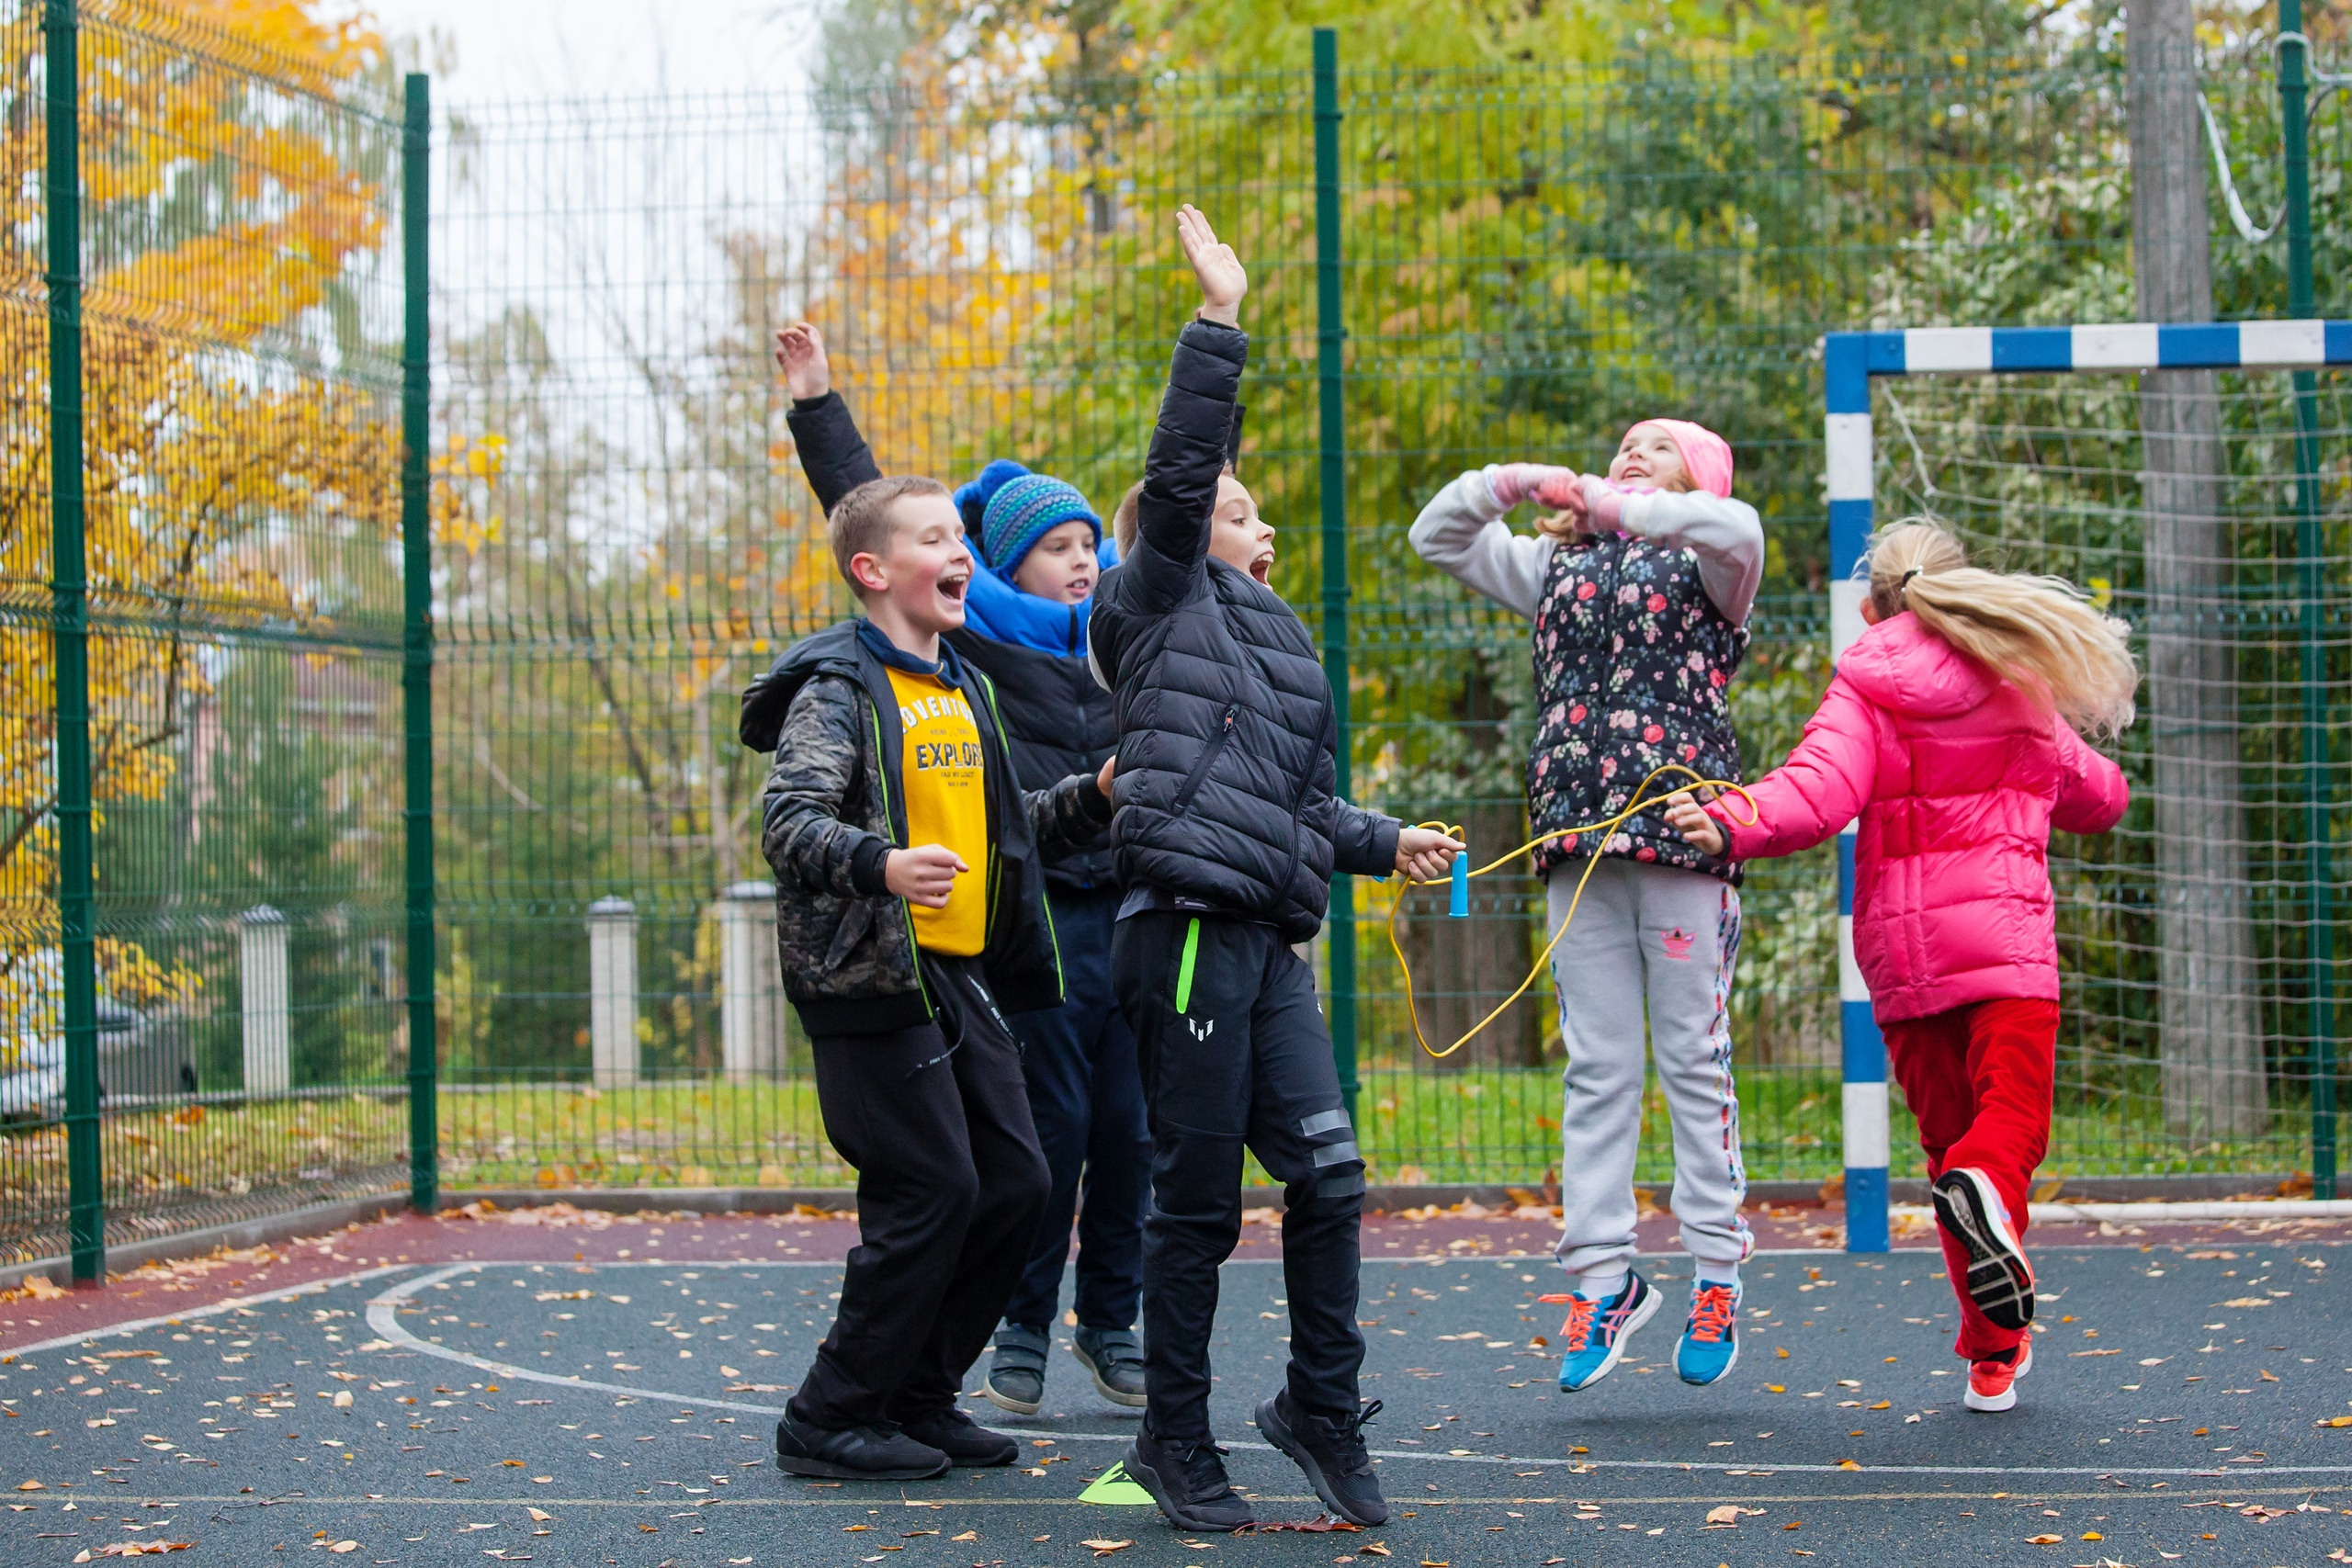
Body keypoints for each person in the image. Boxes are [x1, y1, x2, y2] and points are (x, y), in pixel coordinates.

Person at [1088, 204, 1463, 1533]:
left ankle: (1318, 1403)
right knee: (1195, 1208)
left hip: (1266, 942)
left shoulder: (1287, 646)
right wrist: (1219, 317)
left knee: (1330, 1171)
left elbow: (1305, 804)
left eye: (1253, 510)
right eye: (1228, 510)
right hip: (1180, 927)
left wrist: (1385, 840)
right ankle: (1174, 1439)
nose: (1251, 521)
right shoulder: (1146, 601)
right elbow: (1183, 474)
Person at [1665, 519, 2133, 1414]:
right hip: (2009, 954)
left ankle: (1994, 1351)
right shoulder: (2019, 678)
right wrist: (2083, 778)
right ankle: (1987, 1233)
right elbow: (2097, 796)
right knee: (2006, 1137)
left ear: (1869, 605)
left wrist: (1733, 816)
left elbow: (1815, 792)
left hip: (1910, 970)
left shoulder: (1867, 687)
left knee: (1950, 1147)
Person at [772, 322, 1151, 1416]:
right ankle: (985, 1347)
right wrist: (816, 405)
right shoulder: (948, 650)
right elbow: (873, 521)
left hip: (1081, 917)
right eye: (1056, 545)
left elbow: (1177, 521)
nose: (1083, 559)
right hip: (983, 940)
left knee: (1092, 1148)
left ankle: (1067, 1337)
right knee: (1016, 1152)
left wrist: (1101, 796)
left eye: (1092, 541)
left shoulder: (1112, 636)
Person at [1408, 419, 1766, 1393]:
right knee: (1598, 1066)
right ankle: (1602, 1281)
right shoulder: (1551, 568)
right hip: (1576, 840)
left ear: (1698, 472)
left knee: (1693, 1052)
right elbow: (1435, 535)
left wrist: (1611, 503)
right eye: (1621, 444)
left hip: (1683, 836)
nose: (1629, 450)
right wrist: (1512, 479)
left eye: (1657, 443)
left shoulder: (1711, 561)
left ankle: (1717, 1270)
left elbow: (1736, 530)